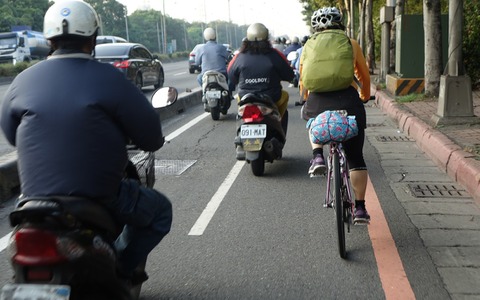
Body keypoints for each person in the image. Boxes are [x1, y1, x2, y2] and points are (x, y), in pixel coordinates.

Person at [0, 0, 172, 283]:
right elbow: (151, 138)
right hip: (101, 194)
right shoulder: (110, 78)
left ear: (49, 39)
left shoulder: (22, 80)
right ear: (92, 38)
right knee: (160, 211)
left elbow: (11, 134)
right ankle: (122, 270)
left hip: (32, 200)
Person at [300, 7, 371, 222]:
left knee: (312, 121)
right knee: (355, 157)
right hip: (348, 102)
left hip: (318, 101)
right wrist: (364, 96)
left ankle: (317, 156)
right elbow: (364, 76)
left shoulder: (308, 47)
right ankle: (359, 208)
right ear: (341, 24)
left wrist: (306, 97)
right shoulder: (351, 44)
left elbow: (303, 79)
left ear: (316, 27)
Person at [228, 23, 294, 159]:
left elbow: (230, 74)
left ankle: (240, 134)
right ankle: (280, 132)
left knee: (240, 109)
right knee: (285, 96)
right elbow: (289, 74)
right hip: (271, 97)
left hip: (246, 97)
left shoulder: (240, 56)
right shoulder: (274, 55)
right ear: (266, 38)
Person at [195, 27, 234, 113]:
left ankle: (204, 93)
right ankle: (230, 94)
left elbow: (197, 62)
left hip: (206, 74)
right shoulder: (221, 47)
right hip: (221, 73)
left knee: (199, 78)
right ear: (215, 36)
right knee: (231, 78)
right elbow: (229, 58)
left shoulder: (201, 48)